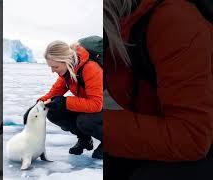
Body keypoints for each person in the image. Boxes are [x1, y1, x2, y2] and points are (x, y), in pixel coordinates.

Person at [103, 0, 213, 179]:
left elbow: (193, 137)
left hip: (201, 137)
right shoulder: (119, 30)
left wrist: (102, 124)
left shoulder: (175, 21)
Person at [38, 40, 103, 159]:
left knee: (84, 121)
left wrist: (64, 102)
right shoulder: (67, 72)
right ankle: (84, 139)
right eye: (50, 67)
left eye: (55, 66)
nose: (52, 71)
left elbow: (96, 104)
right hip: (92, 107)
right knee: (53, 112)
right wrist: (38, 104)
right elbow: (53, 93)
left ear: (66, 61)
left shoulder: (90, 68)